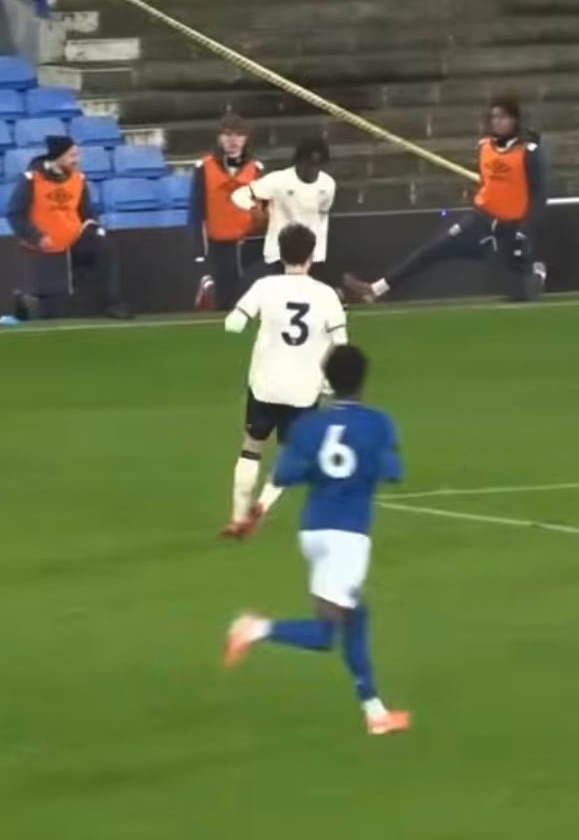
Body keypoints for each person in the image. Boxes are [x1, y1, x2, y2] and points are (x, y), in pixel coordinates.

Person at [222, 344, 412, 737]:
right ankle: (253, 629)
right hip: (348, 536)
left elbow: (284, 475)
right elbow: (393, 471)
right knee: (327, 633)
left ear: (328, 381)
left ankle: (374, 711)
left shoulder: (310, 426)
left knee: (356, 614)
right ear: (363, 381)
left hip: (314, 530)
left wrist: (314, 472)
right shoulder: (378, 423)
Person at [342, 97, 546, 305]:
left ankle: (536, 276)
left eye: (503, 117)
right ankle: (375, 290)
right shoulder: (484, 147)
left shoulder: (528, 152)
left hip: (507, 230)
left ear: (514, 120)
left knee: (518, 293)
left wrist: (524, 230)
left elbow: (538, 196)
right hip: (479, 222)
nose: (497, 122)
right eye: (494, 117)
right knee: (432, 250)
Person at [219, 224, 347, 538]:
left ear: (280, 253)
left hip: (265, 383)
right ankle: (262, 505)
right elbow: (341, 343)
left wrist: (251, 318)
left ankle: (237, 517)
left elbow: (233, 324)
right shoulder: (326, 294)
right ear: (311, 256)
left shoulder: (265, 286)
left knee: (251, 447)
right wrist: (330, 382)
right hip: (304, 389)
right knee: (291, 455)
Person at [6, 135, 128, 321]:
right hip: (44, 249)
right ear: (58, 156)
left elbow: (86, 213)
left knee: (105, 246)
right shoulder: (31, 179)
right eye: (72, 155)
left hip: (74, 243)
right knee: (50, 311)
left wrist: (94, 229)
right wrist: (37, 238)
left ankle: (113, 302)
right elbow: (15, 214)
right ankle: (28, 301)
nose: (76, 160)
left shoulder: (79, 179)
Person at [233, 136, 336, 285]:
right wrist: (255, 209)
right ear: (299, 161)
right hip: (279, 254)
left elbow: (322, 215)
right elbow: (239, 195)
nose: (313, 169)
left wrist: (318, 251)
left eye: (317, 164)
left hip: (313, 256)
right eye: (309, 163)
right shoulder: (278, 181)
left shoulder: (328, 184)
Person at [191, 114, 266, 311]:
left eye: (239, 135)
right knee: (221, 302)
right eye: (227, 134)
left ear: (246, 138)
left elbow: (263, 206)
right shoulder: (203, 167)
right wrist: (199, 249)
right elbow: (196, 210)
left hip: (247, 244)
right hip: (217, 244)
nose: (233, 140)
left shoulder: (256, 169)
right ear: (219, 137)